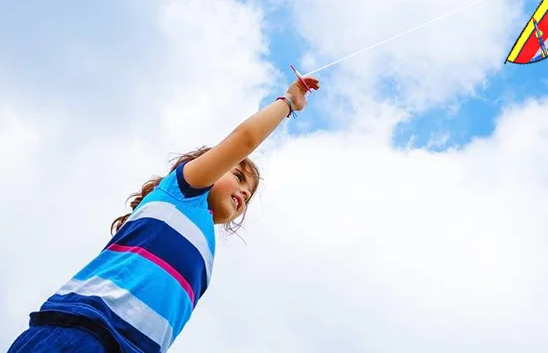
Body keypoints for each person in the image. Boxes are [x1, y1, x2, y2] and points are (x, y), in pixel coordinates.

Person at [8, 75, 321, 352]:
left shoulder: (206, 248)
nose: (243, 193)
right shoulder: (186, 191)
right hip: (85, 331)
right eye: (238, 177)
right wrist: (289, 102)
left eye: (249, 194)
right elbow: (246, 139)